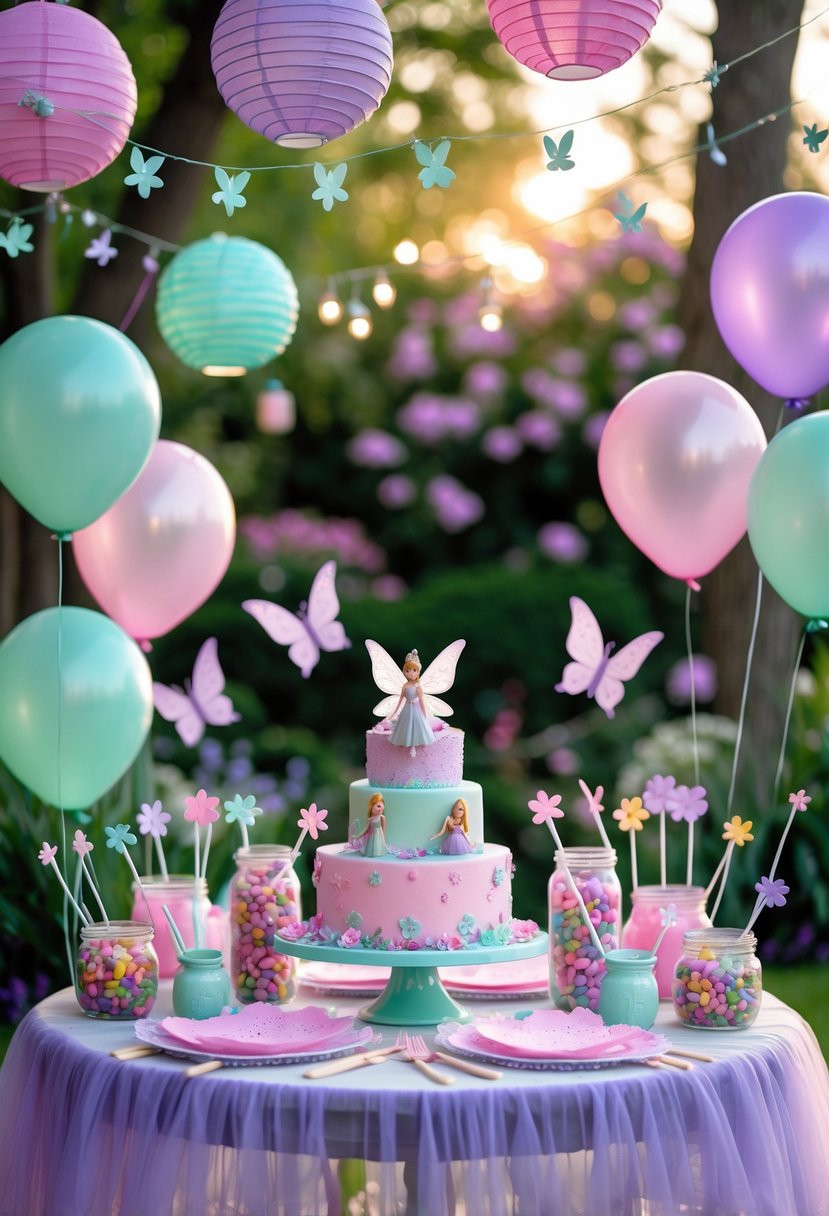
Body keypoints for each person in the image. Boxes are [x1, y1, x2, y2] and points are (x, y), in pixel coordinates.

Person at [388, 649, 435, 756]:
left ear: (418, 672)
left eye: (414, 670)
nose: (411, 673)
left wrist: (424, 714)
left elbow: (422, 701)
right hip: (406, 708)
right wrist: (395, 712)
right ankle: (405, 742)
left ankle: (415, 745)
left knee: (417, 726)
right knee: (405, 726)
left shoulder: (418, 686)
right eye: (408, 670)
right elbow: (400, 700)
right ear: (404, 672)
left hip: (416, 709)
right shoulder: (405, 686)